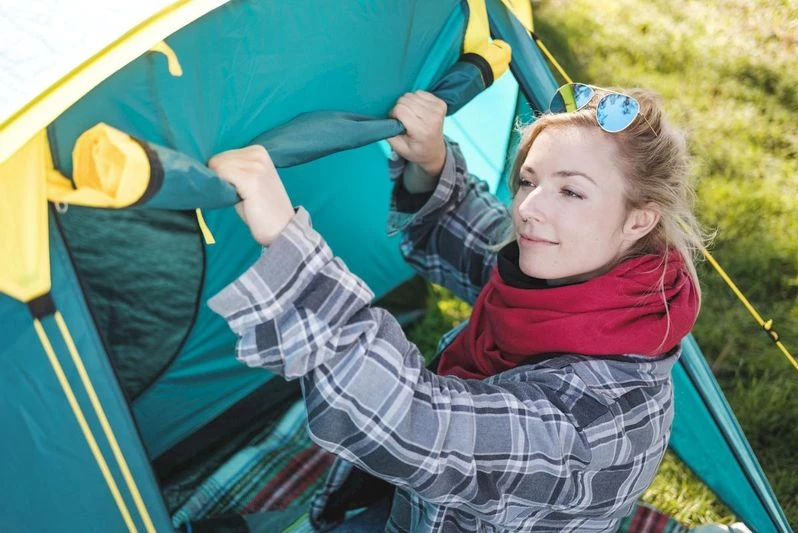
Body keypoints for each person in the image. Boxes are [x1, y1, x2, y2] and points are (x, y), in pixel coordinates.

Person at [206, 84, 705, 532]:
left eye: (571, 191)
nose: (528, 209)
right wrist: (430, 162)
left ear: (639, 221)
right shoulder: (583, 282)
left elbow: (416, 423)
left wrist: (285, 239)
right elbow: (475, 233)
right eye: (528, 181)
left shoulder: (592, 420)